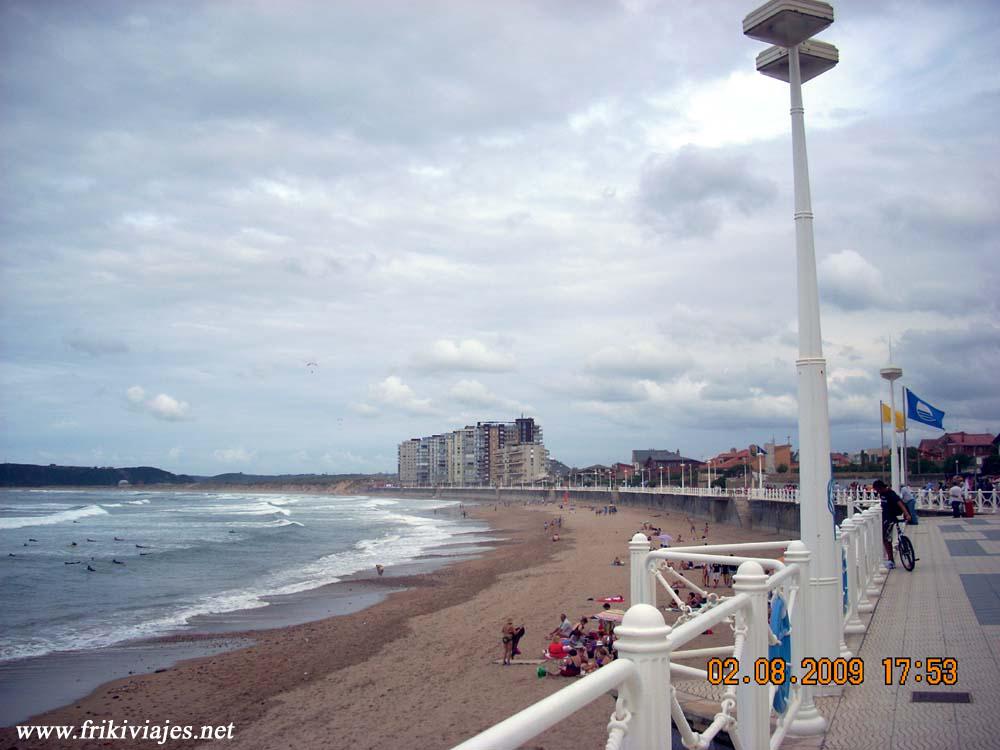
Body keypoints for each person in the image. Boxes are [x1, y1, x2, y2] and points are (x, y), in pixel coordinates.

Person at [873, 479, 911, 569]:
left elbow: (900, 504)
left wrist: (907, 514)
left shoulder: (891, 494)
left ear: (880, 487)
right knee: (886, 538)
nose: (877, 492)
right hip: (886, 517)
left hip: (891, 517)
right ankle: (891, 557)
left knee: (885, 538)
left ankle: (891, 560)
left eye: (877, 489)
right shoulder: (882, 494)